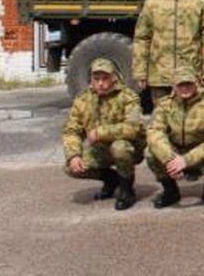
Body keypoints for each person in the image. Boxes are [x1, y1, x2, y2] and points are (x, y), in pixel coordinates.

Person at [62, 58, 145, 211]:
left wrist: (100, 132)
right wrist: (73, 154)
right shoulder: (83, 100)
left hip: (129, 148)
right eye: (96, 79)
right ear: (91, 79)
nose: (101, 83)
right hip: (100, 150)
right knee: (70, 167)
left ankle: (127, 190)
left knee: (119, 147)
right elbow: (71, 131)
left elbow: (133, 128)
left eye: (105, 78)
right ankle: (112, 179)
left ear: (114, 77)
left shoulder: (128, 97)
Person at [133, 0, 204, 106]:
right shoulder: (153, 3)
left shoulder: (199, 3)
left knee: (190, 120)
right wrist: (140, 72)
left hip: (189, 75)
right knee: (161, 118)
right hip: (160, 75)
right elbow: (142, 38)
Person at [145, 65, 204, 208]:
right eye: (181, 84)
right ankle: (170, 191)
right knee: (150, 153)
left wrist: (186, 160)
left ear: (197, 83)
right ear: (173, 86)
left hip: (201, 153)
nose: (185, 88)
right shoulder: (164, 105)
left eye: (189, 84)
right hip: (175, 152)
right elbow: (155, 132)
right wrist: (169, 159)